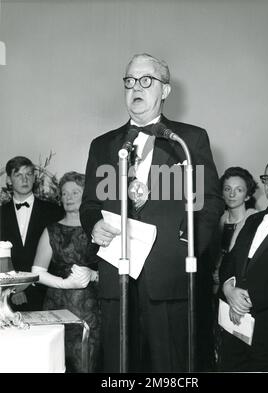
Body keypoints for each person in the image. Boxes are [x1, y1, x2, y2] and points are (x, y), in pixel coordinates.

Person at [79, 53, 224, 372]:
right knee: (119, 368)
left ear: (165, 90)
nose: (136, 88)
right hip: (117, 279)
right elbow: (89, 205)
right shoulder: (103, 145)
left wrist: (188, 249)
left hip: (170, 279)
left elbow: (210, 201)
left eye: (146, 80)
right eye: (129, 82)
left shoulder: (188, 140)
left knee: (170, 369)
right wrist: (94, 226)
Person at [218, 158, 268, 371]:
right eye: (267, 177)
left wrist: (246, 300)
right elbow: (230, 261)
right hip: (234, 325)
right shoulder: (254, 219)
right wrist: (228, 289)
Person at [32, 171, 101, 373]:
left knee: (87, 366)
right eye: (64, 193)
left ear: (86, 195)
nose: (68, 197)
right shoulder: (51, 230)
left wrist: (94, 275)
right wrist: (65, 283)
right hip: (56, 311)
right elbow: (37, 272)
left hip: (92, 312)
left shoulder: (98, 229)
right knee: (56, 365)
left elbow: (117, 271)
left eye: (74, 192)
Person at [0, 156, 63, 311]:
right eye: (18, 175)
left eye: (28, 174)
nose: (24, 179)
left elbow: (59, 256)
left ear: (34, 178)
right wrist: (11, 289)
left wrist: (28, 284)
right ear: (9, 180)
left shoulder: (54, 212)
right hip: (5, 297)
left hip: (45, 293)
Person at [212, 166, 258, 294]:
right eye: (227, 189)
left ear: (248, 196)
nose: (232, 194)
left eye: (239, 190)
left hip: (241, 291)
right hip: (215, 291)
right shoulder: (217, 221)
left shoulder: (255, 222)